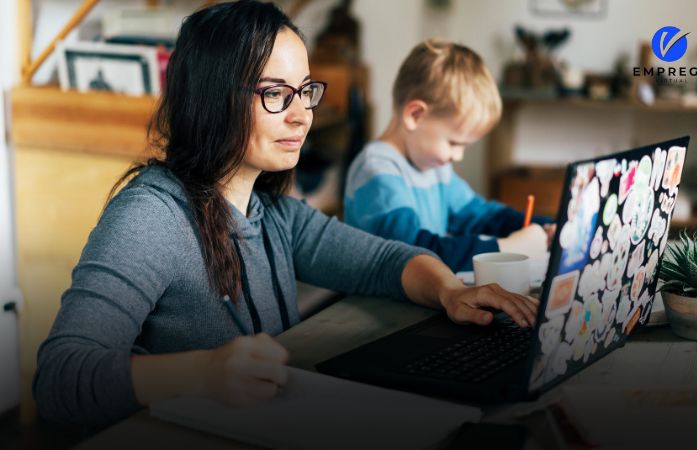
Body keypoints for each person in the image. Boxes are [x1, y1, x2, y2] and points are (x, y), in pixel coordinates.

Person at [33, 1, 539, 427]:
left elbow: (384, 260)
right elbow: (59, 379)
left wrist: (451, 290)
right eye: (275, 94)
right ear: (214, 99)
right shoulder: (150, 217)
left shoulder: (272, 211)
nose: (302, 115)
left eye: (304, 92)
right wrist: (204, 373)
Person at [344, 39, 555, 272]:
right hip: (376, 304)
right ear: (415, 115)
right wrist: (504, 248)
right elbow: (416, 253)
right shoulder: (377, 172)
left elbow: (480, 215)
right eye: (454, 142)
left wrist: (543, 227)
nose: (458, 156)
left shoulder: (434, 166)